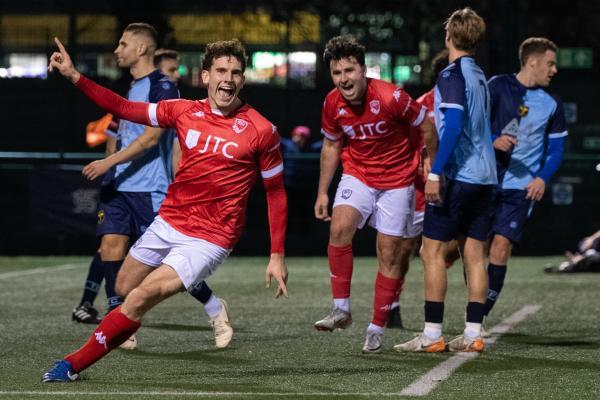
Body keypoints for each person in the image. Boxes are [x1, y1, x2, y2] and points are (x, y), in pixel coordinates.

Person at [43, 37, 289, 382]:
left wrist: (277, 253)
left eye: (235, 72)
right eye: (221, 71)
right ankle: (213, 305)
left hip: (212, 236)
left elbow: (276, 192)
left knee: (143, 295)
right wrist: (74, 76)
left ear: (243, 80)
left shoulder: (262, 130)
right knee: (124, 286)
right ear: (205, 76)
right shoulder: (184, 111)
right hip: (170, 220)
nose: (228, 79)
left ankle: (71, 365)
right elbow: (124, 108)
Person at [313, 35, 437, 353]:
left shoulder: (392, 96)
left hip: (398, 181)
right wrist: (322, 192)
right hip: (359, 174)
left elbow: (426, 125)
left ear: (363, 70)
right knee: (339, 228)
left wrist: (431, 164)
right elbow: (331, 145)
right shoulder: (331, 103)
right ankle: (341, 309)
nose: (344, 79)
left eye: (349, 71)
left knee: (390, 253)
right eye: (337, 73)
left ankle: (377, 326)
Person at [394, 7, 497, 353]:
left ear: (449, 36)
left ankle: (433, 335)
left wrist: (435, 171)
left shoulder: (452, 74)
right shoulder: (480, 74)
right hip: (486, 177)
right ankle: (473, 335)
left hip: (459, 175)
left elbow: (451, 126)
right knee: (473, 254)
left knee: (431, 251)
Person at [483, 37, 567, 327]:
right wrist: (493, 140)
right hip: (485, 180)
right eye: (550, 63)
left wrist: (542, 178)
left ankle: (478, 315)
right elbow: (475, 125)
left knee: (501, 245)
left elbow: (556, 150)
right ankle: (475, 304)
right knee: (474, 247)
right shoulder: (496, 86)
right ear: (532, 61)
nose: (554, 70)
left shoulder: (553, 104)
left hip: (521, 188)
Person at [387, 49, 452, 329]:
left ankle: (473, 318)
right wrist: (420, 169)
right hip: (419, 191)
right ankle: (392, 306)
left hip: (455, 189)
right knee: (404, 249)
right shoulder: (421, 107)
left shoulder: (467, 104)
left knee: (463, 246)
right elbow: (402, 147)